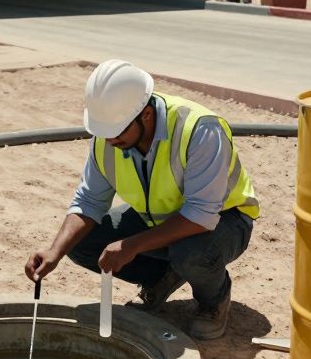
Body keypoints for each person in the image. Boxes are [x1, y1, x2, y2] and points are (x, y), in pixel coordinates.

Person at [25, 60, 258, 340]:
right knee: (80, 242)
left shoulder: (199, 130)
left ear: (146, 114)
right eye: (105, 132)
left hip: (225, 221)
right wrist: (55, 252)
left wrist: (131, 245)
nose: (110, 140)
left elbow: (201, 215)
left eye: (117, 132)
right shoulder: (107, 137)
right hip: (157, 217)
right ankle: (160, 279)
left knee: (192, 254)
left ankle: (213, 301)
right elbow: (89, 201)